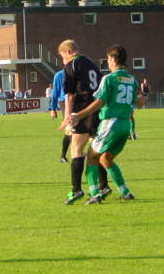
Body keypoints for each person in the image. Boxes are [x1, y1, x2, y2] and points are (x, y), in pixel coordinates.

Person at [72, 44, 146, 204]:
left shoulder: (109, 79)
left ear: (113, 59)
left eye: (108, 59)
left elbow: (99, 101)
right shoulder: (131, 79)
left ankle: (94, 194)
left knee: (91, 158)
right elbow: (139, 102)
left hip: (110, 124)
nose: (108, 62)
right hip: (125, 125)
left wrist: (79, 115)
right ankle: (125, 192)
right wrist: (143, 95)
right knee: (105, 159)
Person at [57, 39, 109, 205]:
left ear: (69, 52)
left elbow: (69, 95)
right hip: (96, 109)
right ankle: (103, 186)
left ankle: (76, 189)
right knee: (95, 151)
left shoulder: (71, 66)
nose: (63, 60)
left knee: (76, 149)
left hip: (81, 109)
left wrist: (67, 117)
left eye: (62, 56)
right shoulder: (92, 64)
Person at [49, 69, 71, 163]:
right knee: (70, 128)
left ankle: (66, 155)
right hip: (64, 103)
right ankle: (64, 155)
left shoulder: (79, 72)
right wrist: (53, 108)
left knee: (74, 129)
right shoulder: (59, 75)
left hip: (77, 102)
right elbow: (55, 93)